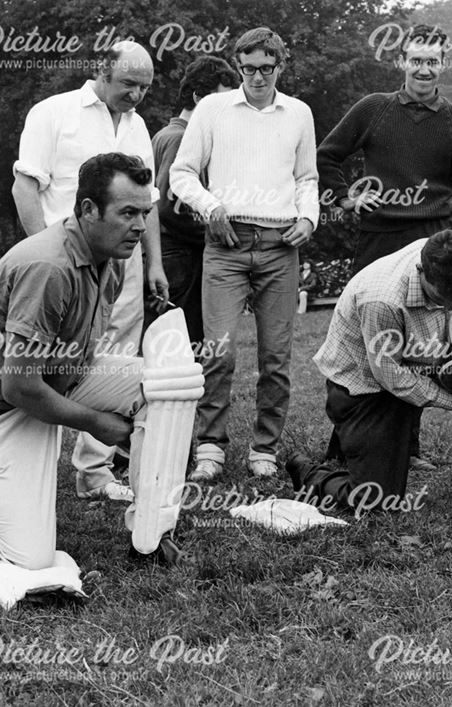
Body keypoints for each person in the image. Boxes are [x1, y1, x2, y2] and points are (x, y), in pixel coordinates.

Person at [0, 152, 153, 570]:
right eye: (128, 212)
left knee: (165, 384)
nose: (140, 226)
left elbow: (71, 357)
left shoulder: (112, 256)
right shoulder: (48, 266)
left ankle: (150, 530)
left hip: (52, 380)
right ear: (88, 210)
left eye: (144, 212)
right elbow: (17, 387)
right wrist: (95, 421)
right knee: (31, 561)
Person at [317, 23, 452, 474]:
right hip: (379, 239)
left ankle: (405, 446)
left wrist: (444, 234)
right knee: (370, 342)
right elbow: (327, 155)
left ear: (443, 65)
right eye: (416, 59)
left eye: (432, 61)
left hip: (432, 242)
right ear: (401, 61)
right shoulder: (374, 109)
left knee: (423, 346)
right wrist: (349, 198)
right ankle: (346, 445)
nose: (424, 68)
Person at [284, 231, 452, 520]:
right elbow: (390, 376)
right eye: (444, 298)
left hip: (432, 357)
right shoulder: (381, 299)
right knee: (379, 501)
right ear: (421, 271)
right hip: (370, 384)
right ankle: (312, 474)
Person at [12, 41, 167, 503]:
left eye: (144, 87)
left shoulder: (139, 128)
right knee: (50, 361)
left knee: (117, 358)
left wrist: (154, 261)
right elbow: (25, 186)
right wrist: (46, 253)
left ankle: (95, 473)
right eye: (128, 84)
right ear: (102, 71)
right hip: (64, 264)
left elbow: (149, 203)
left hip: (124, 264)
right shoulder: (53, 113)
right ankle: (29, 468)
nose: (137, 95)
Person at [169, 27, 319, 481]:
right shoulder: (214, 109)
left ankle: (264, 449)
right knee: (218, 350)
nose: (256, 77)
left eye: (266, 69)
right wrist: (210, 207)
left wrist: (308, 218)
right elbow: (182, 173)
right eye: (248, 68)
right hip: (226, 244)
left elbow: (307, 178)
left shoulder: (298, 113)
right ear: (238, 67)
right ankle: (210, 447)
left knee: (275, 357)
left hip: (279, 245)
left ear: (281, 66)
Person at [143, 55, 238, 347]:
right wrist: (219, 231)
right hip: (180, 258)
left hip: (173, 256)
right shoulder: (181, 138)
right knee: (181, 342)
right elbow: (169, 207)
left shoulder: (166, 133)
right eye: (220, 101)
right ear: (198, 97)